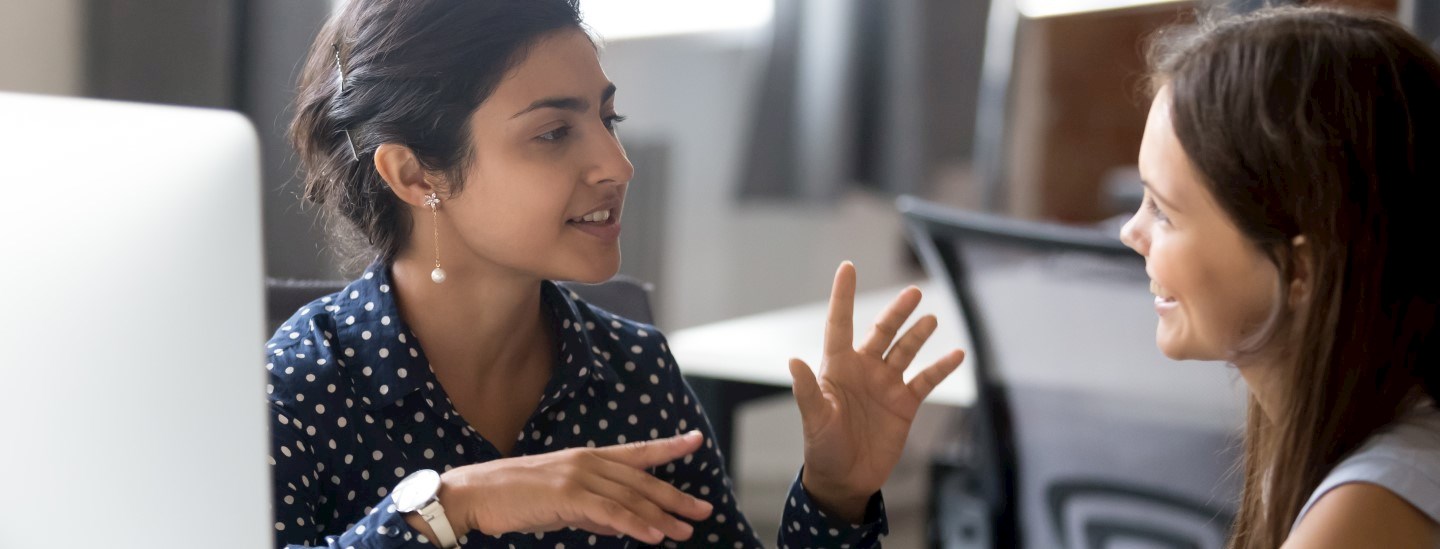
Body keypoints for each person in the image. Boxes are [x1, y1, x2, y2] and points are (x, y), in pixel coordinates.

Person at [267, 1, 965, 547]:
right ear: (416, 174)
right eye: (553, 133)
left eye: (609, 117)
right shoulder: (299, 389)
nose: (617, 164)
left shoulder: (634, 373)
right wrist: (454, 505)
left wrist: (834, 495)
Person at [1122, 6, 1440, 548]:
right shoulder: (1350, 452)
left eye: (1164, 211)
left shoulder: (1368, 509)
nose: (1131, 232)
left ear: (1300, 270)